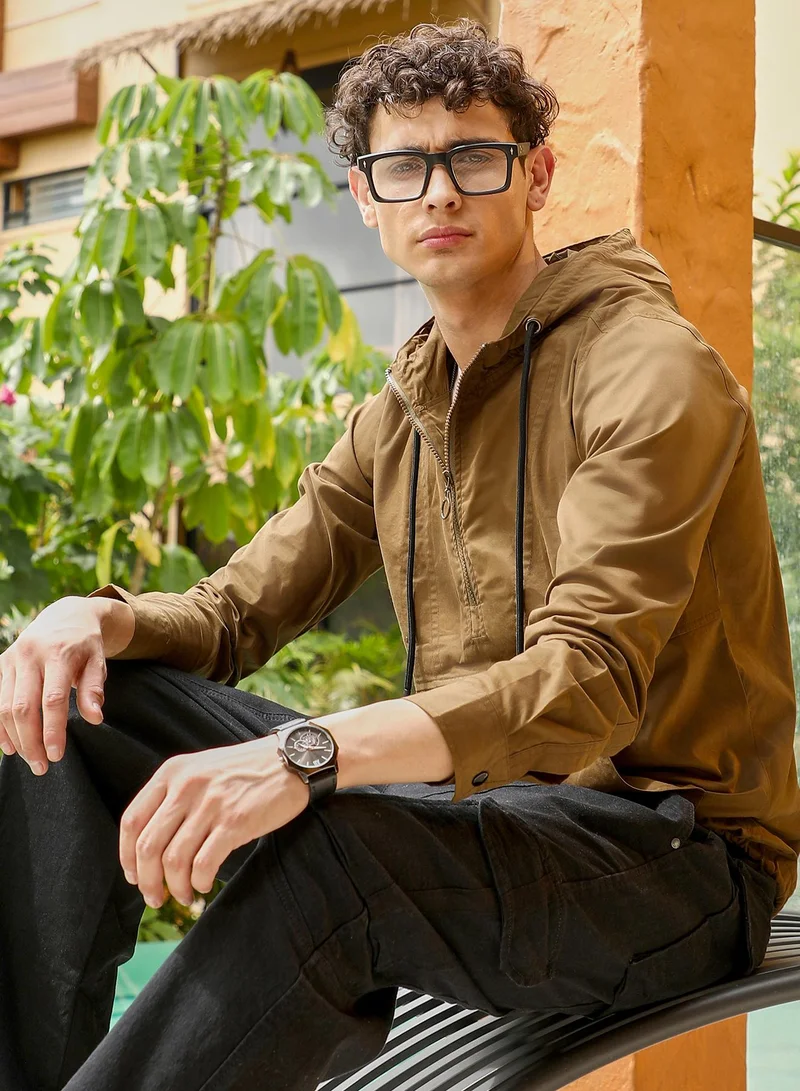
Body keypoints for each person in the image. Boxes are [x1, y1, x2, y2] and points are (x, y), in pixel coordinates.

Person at [0, 16, 797, 1091]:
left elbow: (587, 681)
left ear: (536, 175)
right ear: (366, 196)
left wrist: (305, 752)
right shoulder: (404, 408)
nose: (440, 193)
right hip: (477, 821)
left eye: (474, 158)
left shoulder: (648, 370)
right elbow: (235, 612)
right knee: (72, 702)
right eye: (404, 166)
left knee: (341, 859)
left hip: (673, 858)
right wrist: (96, 618)